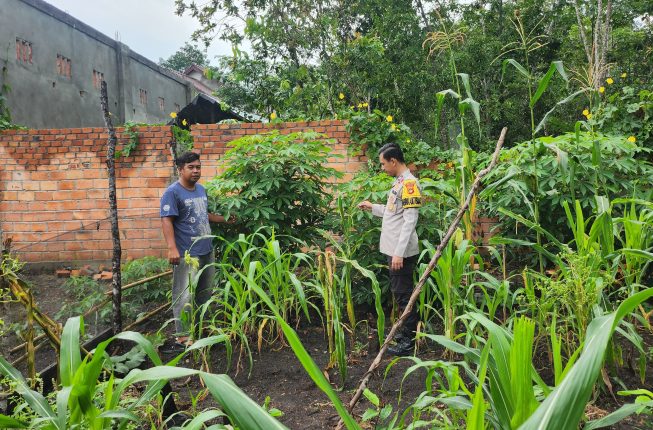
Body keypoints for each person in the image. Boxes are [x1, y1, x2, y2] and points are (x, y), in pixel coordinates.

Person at [160, 151, 233, 351]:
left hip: (206, 249)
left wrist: (225, 219)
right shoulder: (172, 192)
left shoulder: (201, 189)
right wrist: (172, 248)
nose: (195, 171)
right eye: (191, 167)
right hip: (187, 252)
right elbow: (166, 220)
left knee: (205, 293)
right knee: (184, 295)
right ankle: (183, 338)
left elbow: (203, 214)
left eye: (198, 167)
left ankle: (201, 330)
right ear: (180, 169)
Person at [358, 142, 422, 356]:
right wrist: (373, 207)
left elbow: (410, 221)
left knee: (404, 296)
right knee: (400, 293)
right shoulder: (400, 182)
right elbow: (394, 211)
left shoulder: (410, 184)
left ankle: (408, 343)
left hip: (400, 252)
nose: (382, 167)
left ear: (393, 161)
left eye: (383, 164)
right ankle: (405, 335)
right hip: (394, 250)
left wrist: (399, 253)